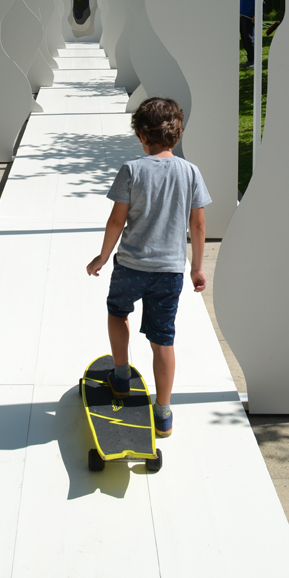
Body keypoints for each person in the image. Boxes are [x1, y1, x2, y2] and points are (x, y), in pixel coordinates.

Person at [86, 97, 210, 438]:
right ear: (178, 134)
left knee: (117, 313)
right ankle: (164, 412)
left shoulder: (132, 169)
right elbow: (199, 225)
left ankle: (121, 377)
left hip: (130, 266)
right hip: (169, 272)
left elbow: (116, 220)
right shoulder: (191, 172)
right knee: (163, 339)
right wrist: (197, 267)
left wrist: (102, 256)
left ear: (141, 135)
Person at [239, 0, 256, 68]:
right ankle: (250, 59)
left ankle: (254, 60)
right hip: (242, 16)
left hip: (250, 17)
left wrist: (256, 15)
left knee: (249, 38)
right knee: (244, 38)